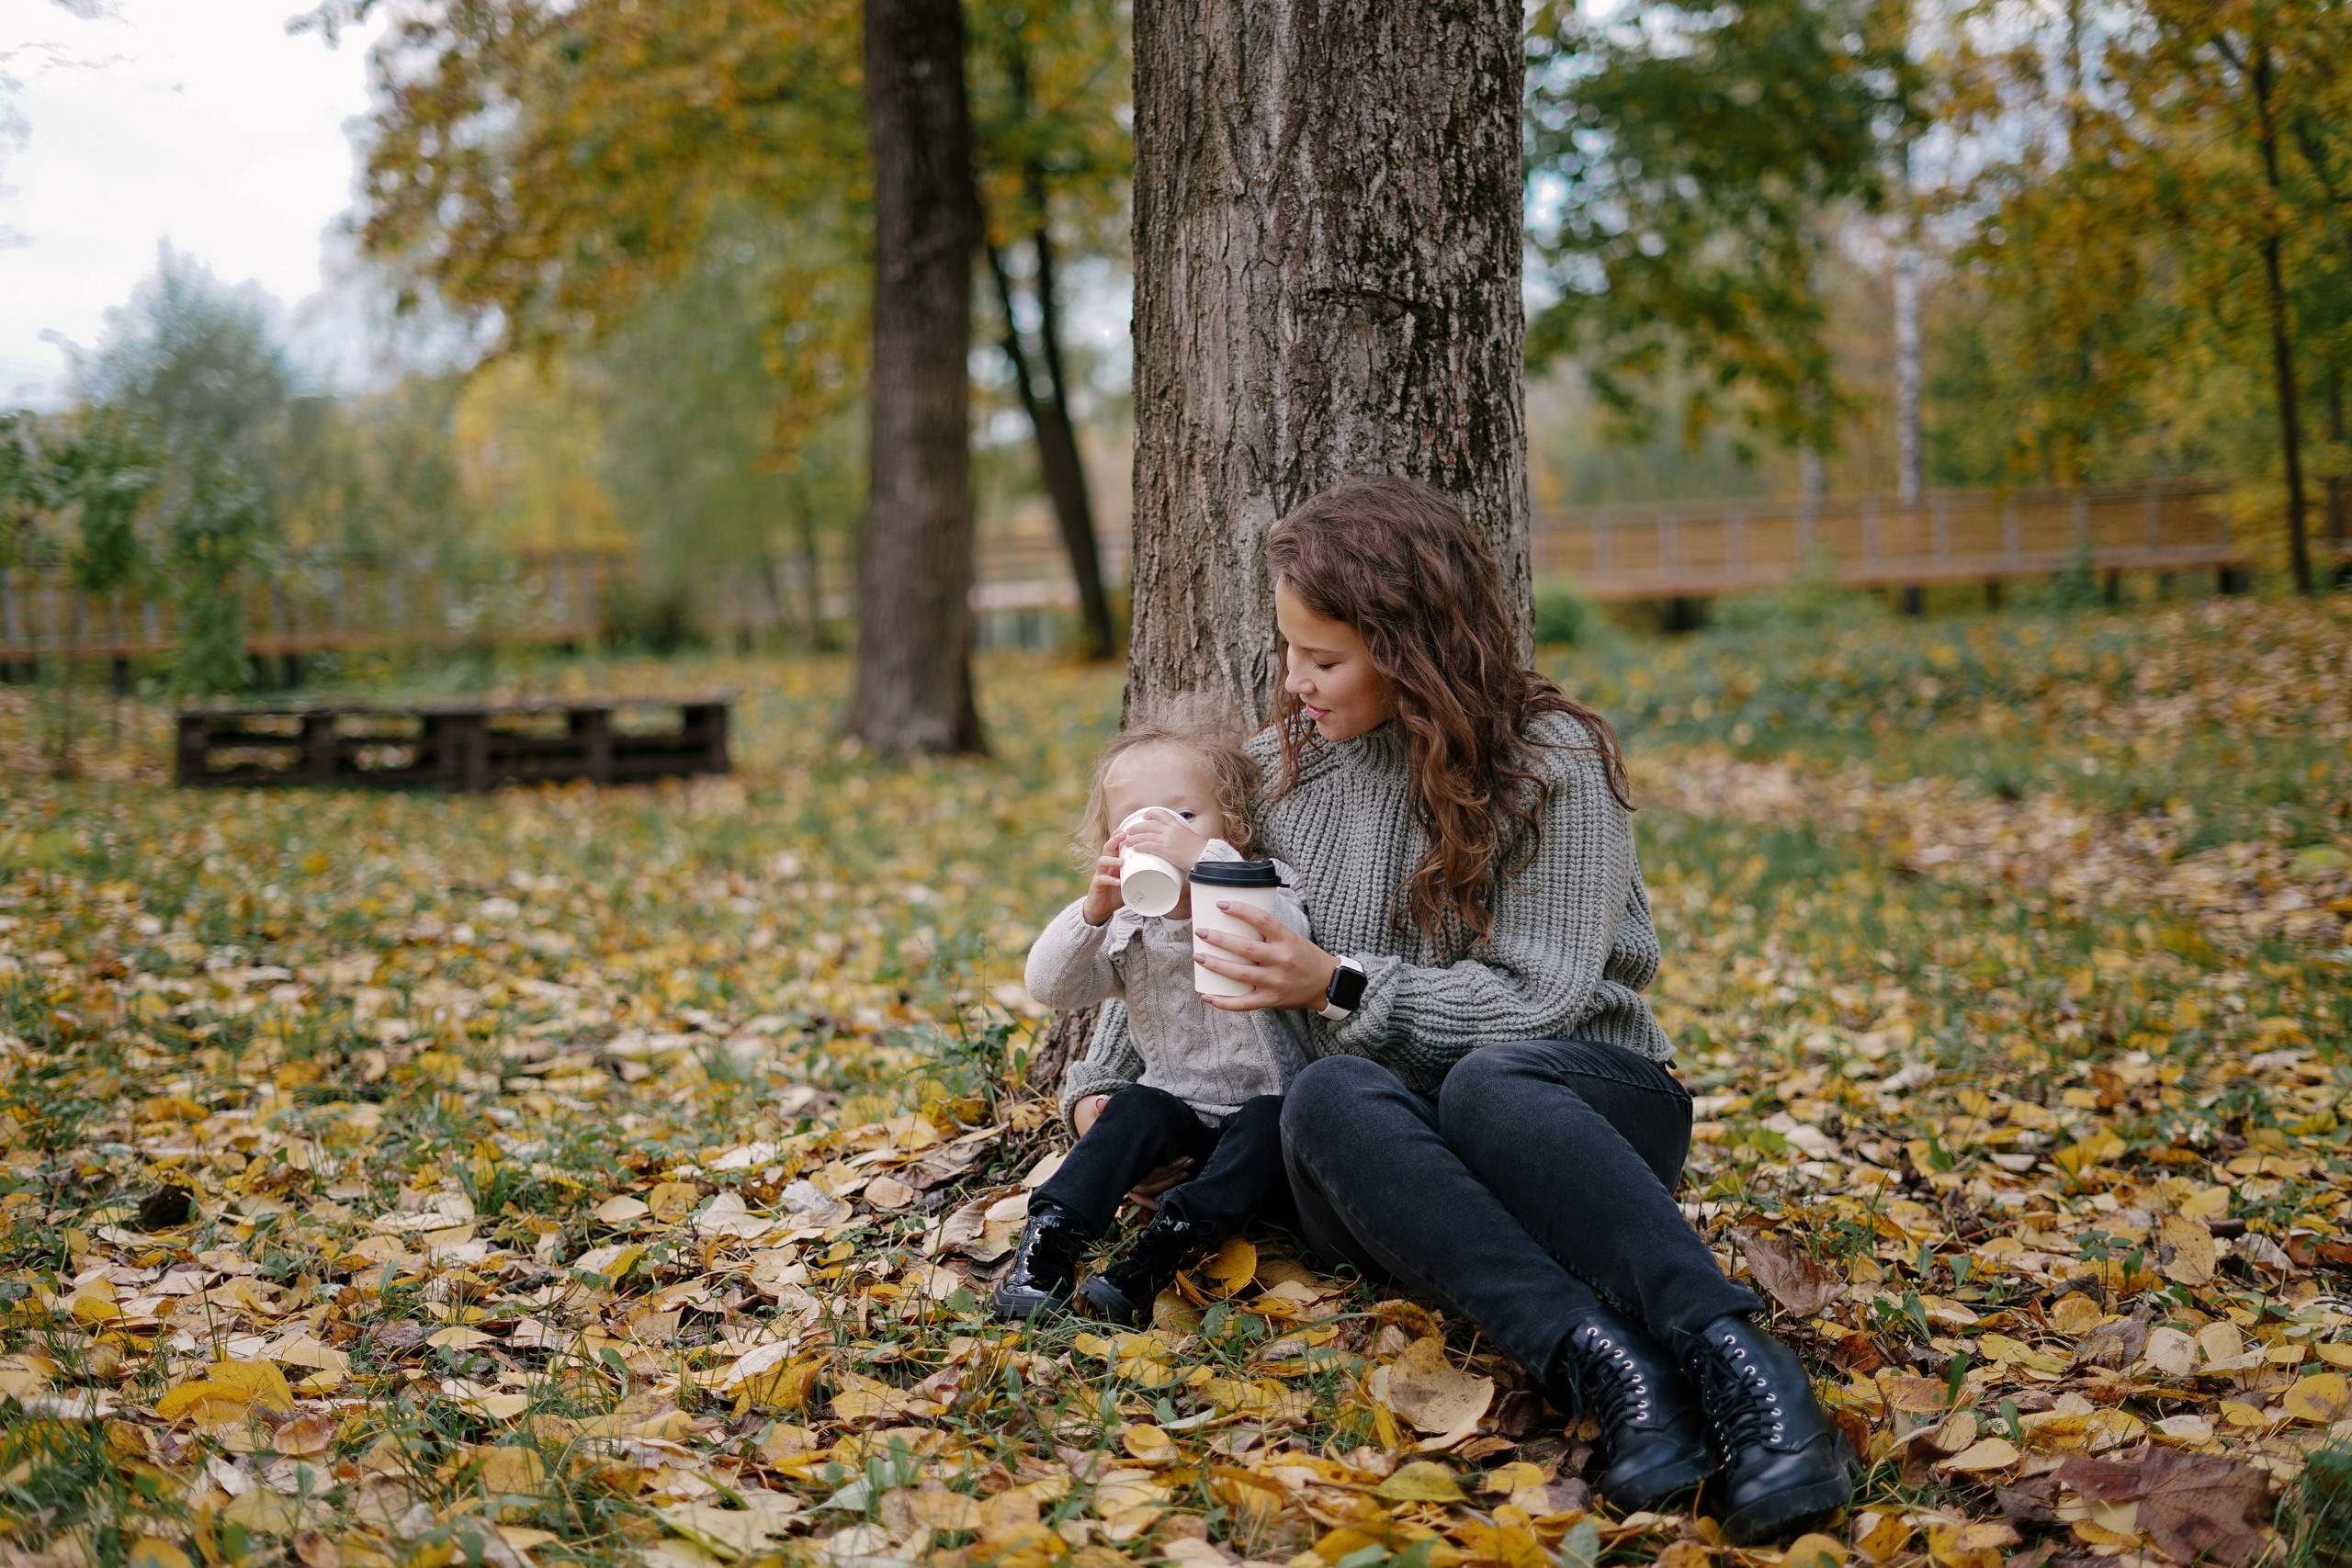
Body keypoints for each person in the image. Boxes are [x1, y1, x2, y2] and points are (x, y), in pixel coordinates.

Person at [1059, 477, 1855, 1544]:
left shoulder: (1550, 762)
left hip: (1572, 1117)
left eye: (1324, 658)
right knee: (1329, 1093)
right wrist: (1106, 1092)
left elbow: (1544, 1000)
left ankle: (1743, 1370)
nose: (1294, 682)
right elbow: (1175, 941)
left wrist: (1332, 981)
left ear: (1411, 644)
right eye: (1287, 651)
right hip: (1394, 1169)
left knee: (1490, 1076)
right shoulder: (1269, 773)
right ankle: (1609, 1372)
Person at [991, 711, 1313, 1325]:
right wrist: (1092, 910)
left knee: (1278, 1119)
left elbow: (1288, 935)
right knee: (1134, 1105)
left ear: (1232, 826)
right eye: (1138, 824)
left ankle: (1160, 1253)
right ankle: (1049, 1244)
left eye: (1185, 817)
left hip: (1264, 1126)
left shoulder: (1259, 885)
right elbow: (1049, 986)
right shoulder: (1125, 922)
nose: (1162, 837)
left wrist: (1208, 861)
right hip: (1180, 1120)